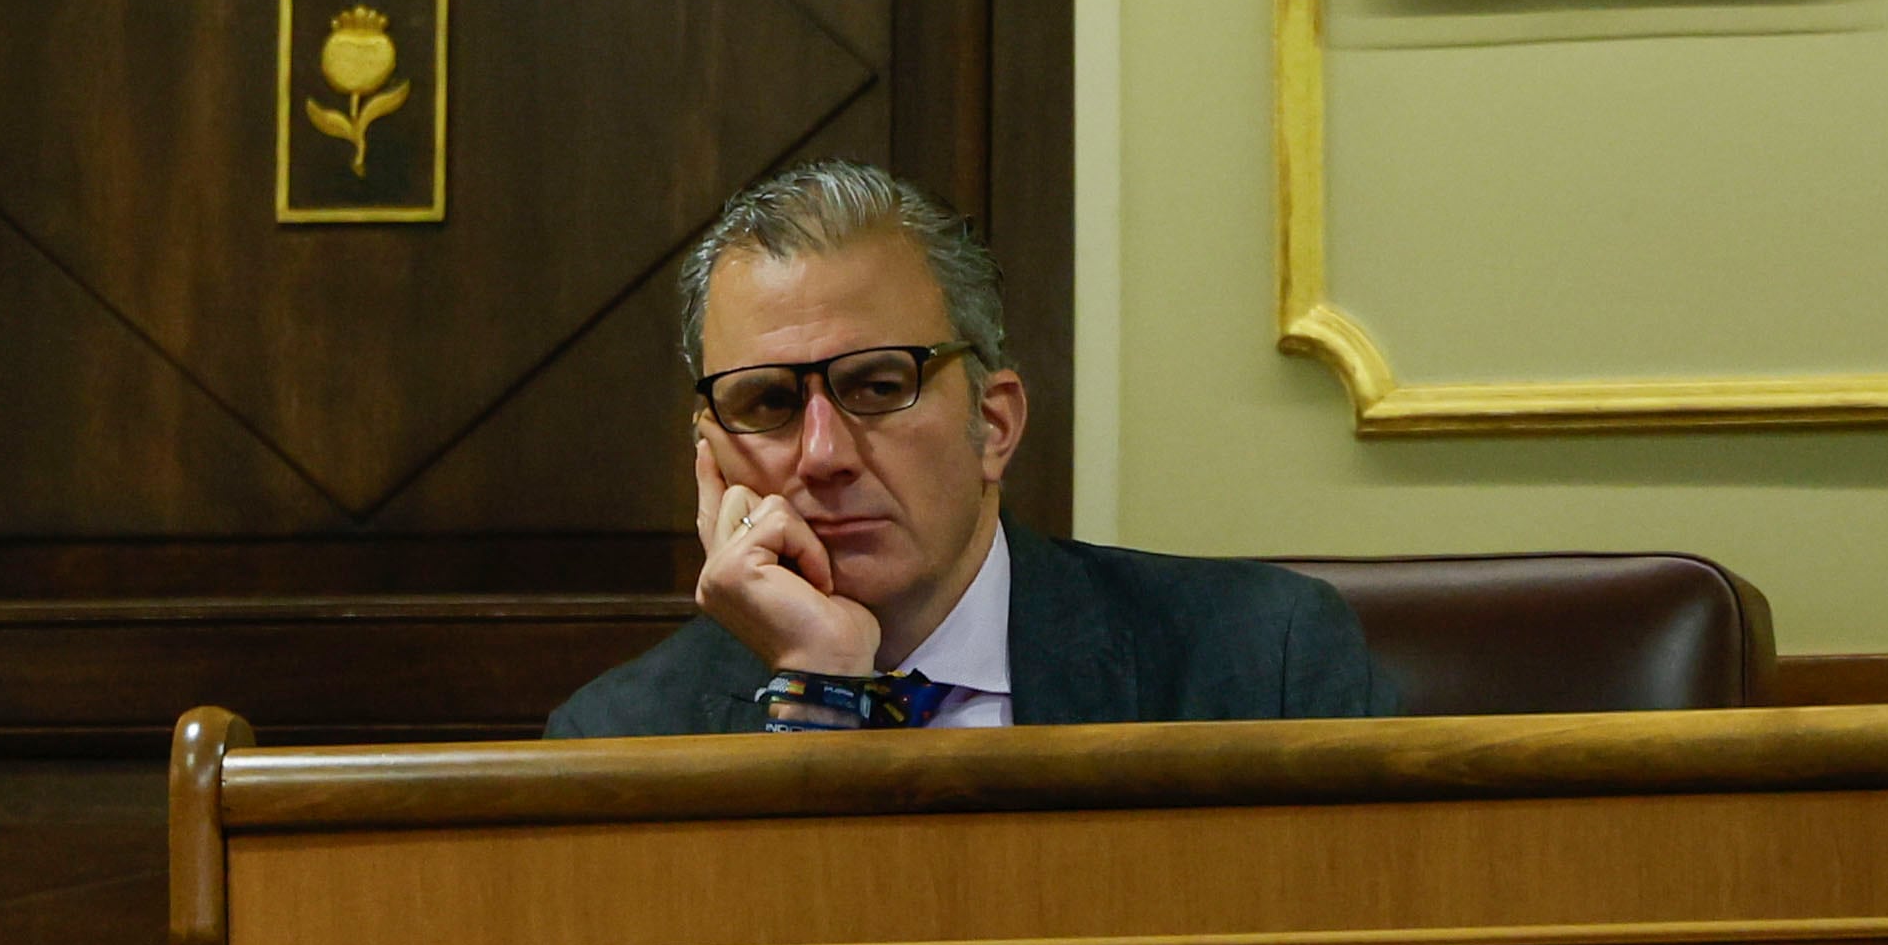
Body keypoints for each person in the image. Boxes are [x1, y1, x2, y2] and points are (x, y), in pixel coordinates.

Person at [546, 162, 1396, 735]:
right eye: (766, 402)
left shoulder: (1263, 664)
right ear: (714, 461)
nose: (822, 454)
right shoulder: (622, 733)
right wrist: (824, 691)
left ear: (992, 425)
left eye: (879, 386)